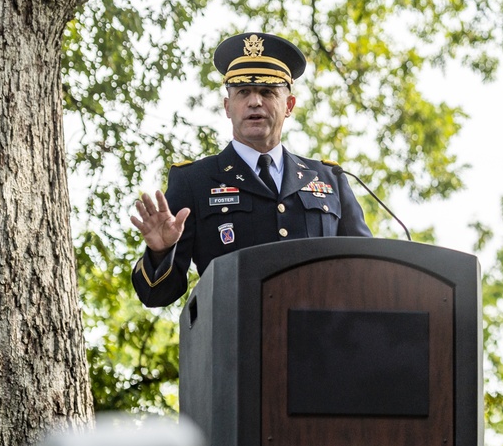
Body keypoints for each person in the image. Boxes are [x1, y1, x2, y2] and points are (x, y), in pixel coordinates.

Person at [130, 32, 372, 307]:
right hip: (235, 341)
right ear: (227, 107)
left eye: (267, 92)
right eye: (243, 92)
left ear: (289, 105)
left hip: (320, 341)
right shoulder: (194, 181)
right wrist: (160, 252)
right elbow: (156, 295)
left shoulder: (330, 179)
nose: (255, 102)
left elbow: (367, 273)